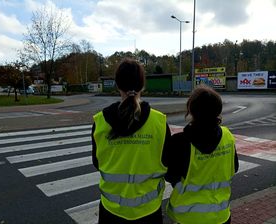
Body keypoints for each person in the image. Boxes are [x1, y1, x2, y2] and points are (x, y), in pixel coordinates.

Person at [91, 58, 171, 223]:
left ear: (117, 85)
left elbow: (97, 163)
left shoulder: (100, 122)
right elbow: (168, 164)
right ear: (143, 85)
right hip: (148, 212)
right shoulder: (159, 122)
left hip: (111, 211)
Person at [165, 84, 239, 224]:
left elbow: (170, 176)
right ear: (218, 110)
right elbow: (234, 167)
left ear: (191, 109)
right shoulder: (227, 136)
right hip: (220, 215)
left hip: (187, 216)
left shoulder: (180, 141)